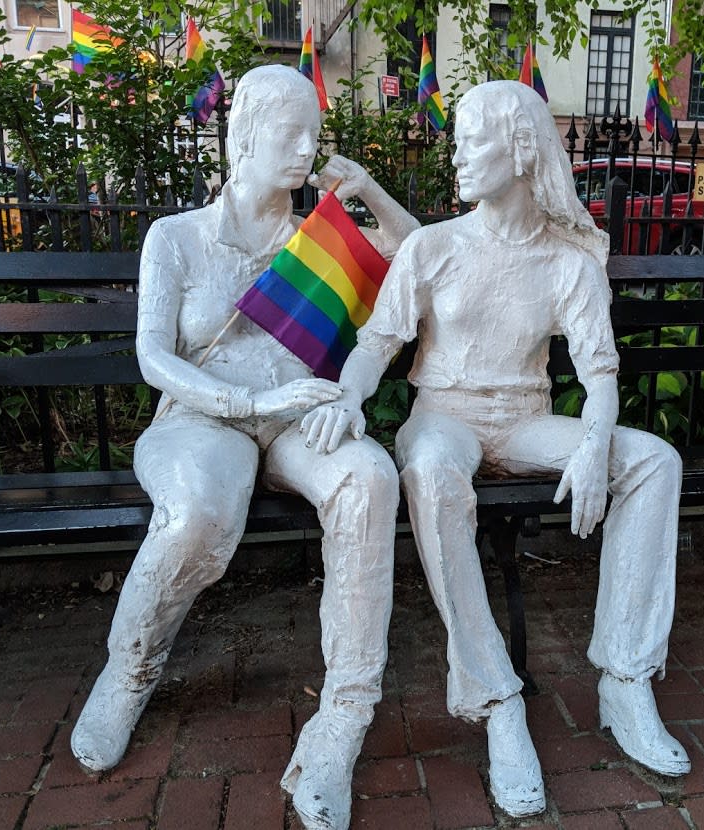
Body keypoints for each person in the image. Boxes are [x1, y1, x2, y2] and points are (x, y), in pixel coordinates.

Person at [302, 80, 689, 816]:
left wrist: (593, 444)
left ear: (518, 151)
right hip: (441, 415)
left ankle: (624, 680)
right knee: (430, 470)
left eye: (469, 142)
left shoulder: (567, 263)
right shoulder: (433, 246)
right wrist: (347, 396)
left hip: (524, 418)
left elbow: (599, 375)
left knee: (652, 461)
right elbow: (377, 343)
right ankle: (496, 700)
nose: (456, 158)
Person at [70, 65, 419, 830]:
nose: (305, 149)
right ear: (242, 138)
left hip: (299, 417)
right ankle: (128, 672)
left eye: (314, 134)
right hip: (202, 418)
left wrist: (364, 191)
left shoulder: (320, 239)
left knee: (367, 476)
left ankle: (341, 720)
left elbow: (421, 261)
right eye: (289, 133)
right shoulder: (179, 239)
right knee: (198, 514)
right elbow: (153, 359)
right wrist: (246, 400)